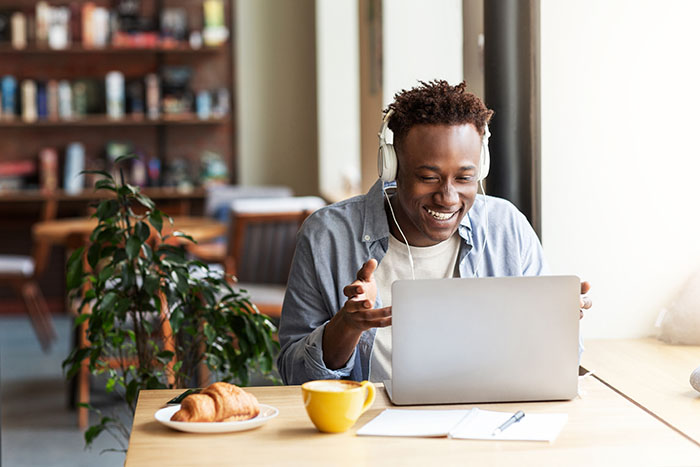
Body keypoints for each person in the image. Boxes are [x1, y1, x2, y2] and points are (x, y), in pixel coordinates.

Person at [276, 80, 591, 385]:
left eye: (465, 178)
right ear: (392, 168)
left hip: (484, 422)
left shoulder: (505, 228)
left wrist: (557, 324)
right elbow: (294, 375)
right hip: (367, 427)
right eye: (428, 177)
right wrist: (345, 327)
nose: (449, 197)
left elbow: (556, 365)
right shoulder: (327, 236)